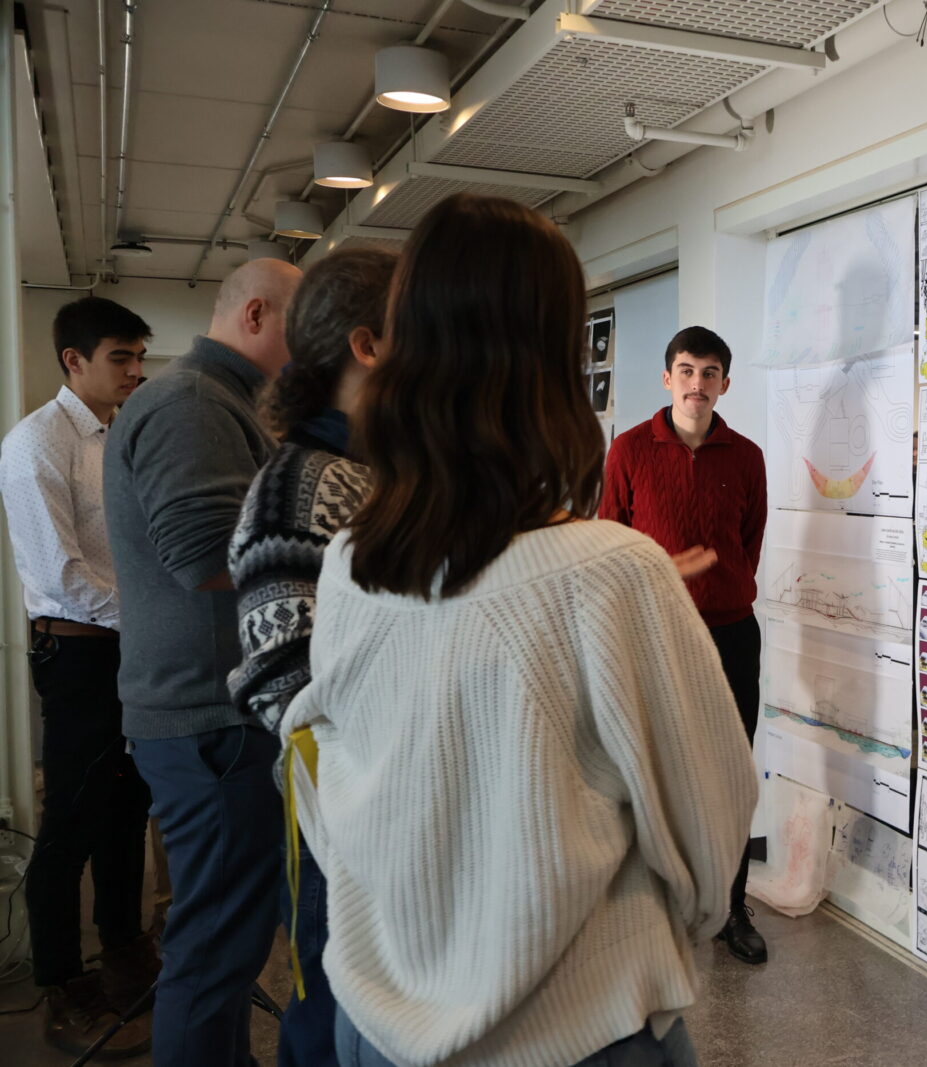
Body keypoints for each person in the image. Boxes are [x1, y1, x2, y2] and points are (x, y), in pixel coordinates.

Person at [278, 193, 756, 1067]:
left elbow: (329, 772)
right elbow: (710, 823)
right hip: (577, 1030)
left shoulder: (350, 561)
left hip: (378, 1022)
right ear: (554, 360)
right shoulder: (612, 572)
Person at [103, 257, 303, 1065]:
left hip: (217, 712)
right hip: (209, 717)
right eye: (302, 327)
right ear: (255, 315)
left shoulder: (222, 400)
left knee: (230, 939)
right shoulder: (192, 402)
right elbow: (203, 554)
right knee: (215, 949)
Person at [227, 248, 394, 1065]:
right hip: (343, 819)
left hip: (383, 810)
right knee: (330, 1018)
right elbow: (279, 679)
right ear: (369, 346)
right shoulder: (300, 483)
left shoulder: (376, 469)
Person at [0, 297, 157, 1056]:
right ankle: (63, 983)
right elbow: (61, 576)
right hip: (80, 651)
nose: (135, 371)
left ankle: (125, 951)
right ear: (74, 360)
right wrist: (153, 620)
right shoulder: (37, 441)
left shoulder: (119, 435)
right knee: (72, 817)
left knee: (130, 805)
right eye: (121, 357)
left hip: (129, 647)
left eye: (139, 357)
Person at [599, 324, 770, 966]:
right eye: (687, 371)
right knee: (654, 772)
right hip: (654, 632)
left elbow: (749, 541)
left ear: (725, 384)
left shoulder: (747, 456)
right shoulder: (629, 450)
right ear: (668, 378)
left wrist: (722, 589)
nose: (698, 384)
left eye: (710, 373)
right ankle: (654, 910)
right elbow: (608, 543)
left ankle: (730, 908)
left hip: (732, 633)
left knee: (731, 774)